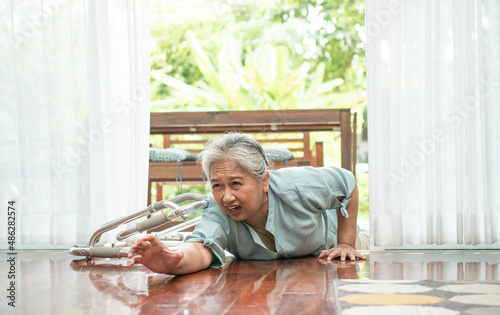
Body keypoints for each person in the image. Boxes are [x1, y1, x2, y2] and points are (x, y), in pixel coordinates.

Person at [129, 133, 366, 275]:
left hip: (340, 250)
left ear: (264, 181)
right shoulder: (217, 211)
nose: (227, 197)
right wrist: (174, 261)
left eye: (236, 184)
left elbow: (347, 184)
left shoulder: (297, 185)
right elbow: (201, 249)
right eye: (217, 185)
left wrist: (346, 242)